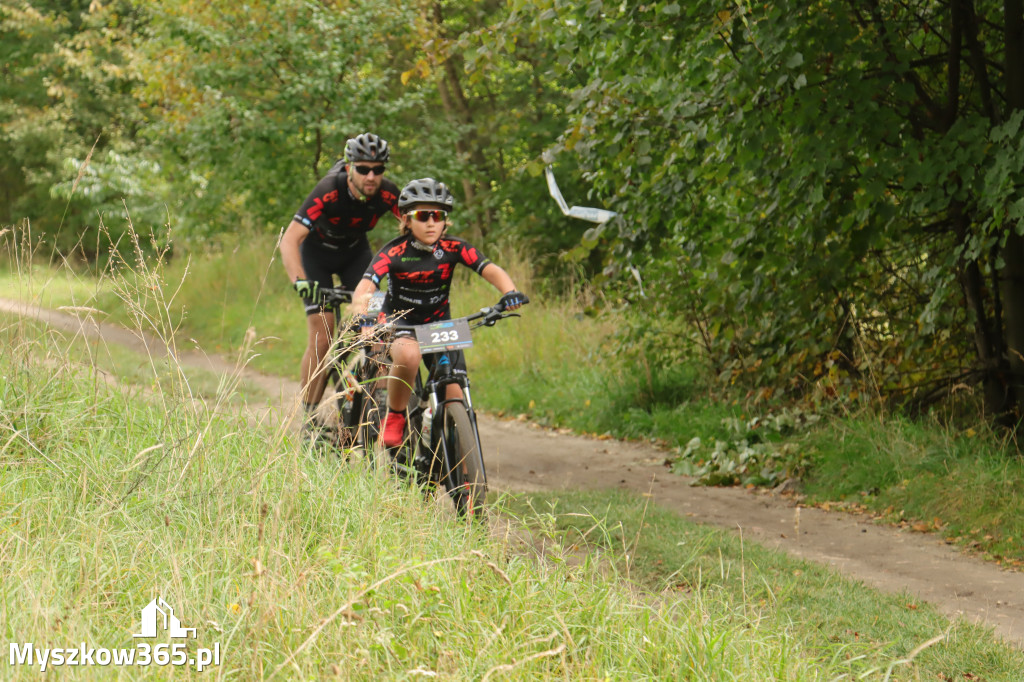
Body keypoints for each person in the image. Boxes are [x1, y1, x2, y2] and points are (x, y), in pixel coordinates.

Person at [351, 177, 528, 447]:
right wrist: (365, 318)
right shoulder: (394, 251)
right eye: (422, 215)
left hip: (439, 324)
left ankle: (468, 481)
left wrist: (509, 292)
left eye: (438, 215)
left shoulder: (455, 248)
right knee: (409, 356)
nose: (431, 222)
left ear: (446, 220)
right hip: (403, 323)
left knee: (455, 393)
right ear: (407, 220)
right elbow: (366, 287)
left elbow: (489, 268)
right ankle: (396, 415)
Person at [279, 132, 401, 437]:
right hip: (316, 258)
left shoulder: (387, 193)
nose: (371, 176)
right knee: (322, 336)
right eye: (363, 169)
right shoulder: (329, 190)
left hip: (355, 256)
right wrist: (300, 282)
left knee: (376, 327)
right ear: (349, 168)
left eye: (378, 169)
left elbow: (414, 228)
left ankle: (377, 402)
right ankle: (309, 416)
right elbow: (290, 239)